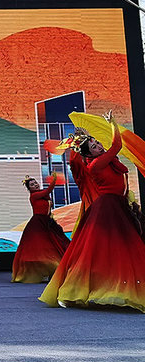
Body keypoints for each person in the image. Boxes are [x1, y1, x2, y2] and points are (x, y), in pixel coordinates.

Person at [40, 116, 145, 312]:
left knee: (121, 250)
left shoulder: (107, 160)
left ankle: (120, 289)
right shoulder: (95, 164)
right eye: (94, 146)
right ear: (89, 154)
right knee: (96, 252)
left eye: (97, 142)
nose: (99, 146)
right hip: (107, 209)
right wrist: (112, 124)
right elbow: (116, 145)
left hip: (118, 206)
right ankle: (72, 291)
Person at [12, 175, 69, 283]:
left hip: (48, 223)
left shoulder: (43, 195)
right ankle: (49, 270)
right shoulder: (34, 195)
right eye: (32, 185)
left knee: (55, 245)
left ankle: (55, 271)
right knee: (42, 248)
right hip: (38, 224)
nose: (35, 185)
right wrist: (54, 181)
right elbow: (48, 190)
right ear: (30, 188)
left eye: (35, 183)